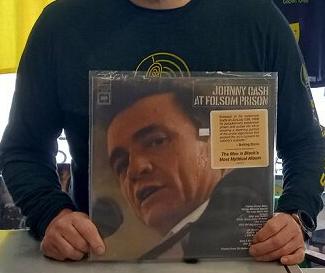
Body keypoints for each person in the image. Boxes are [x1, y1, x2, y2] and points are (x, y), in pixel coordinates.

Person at [0, 0, 325, 264]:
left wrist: (296, 215)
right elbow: (22, 149)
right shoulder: (61, 28)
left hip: (245, 271)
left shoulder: (258, 22)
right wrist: (52, 214)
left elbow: (307, 142)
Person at [105, 80, 271, 259]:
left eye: (156, 142)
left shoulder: (257, 229)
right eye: (122, 164)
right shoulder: (145, 263)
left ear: (214, 143)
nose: (134, 170)